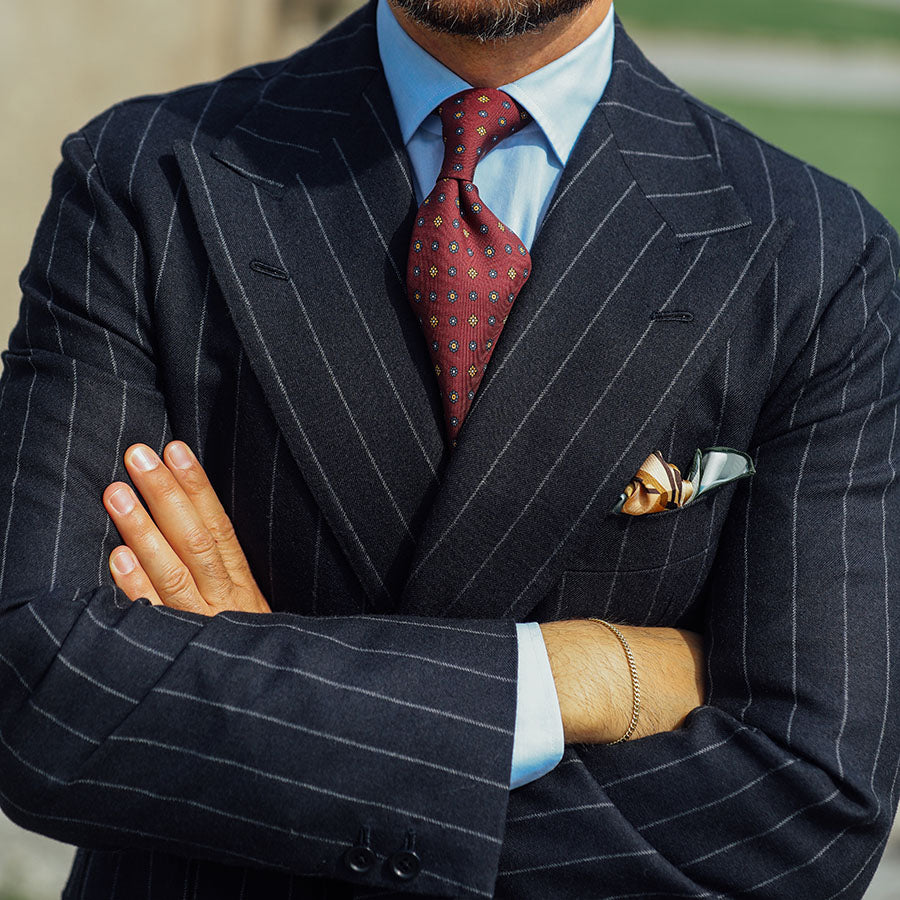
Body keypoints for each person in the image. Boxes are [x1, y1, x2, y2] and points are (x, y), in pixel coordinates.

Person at [0, 0, 898, 896]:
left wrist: (256, 715)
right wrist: (563, 680)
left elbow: (806, 808)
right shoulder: (141, 176)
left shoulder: (822, 262)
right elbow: (39, 689)